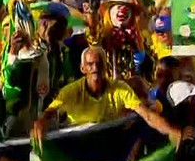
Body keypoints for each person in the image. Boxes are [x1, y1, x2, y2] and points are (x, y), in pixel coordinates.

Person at [32, 46, 180, 143]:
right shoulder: (70, 91)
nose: (95, 68)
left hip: (110, 143)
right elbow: (49, 113)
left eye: (99, 64)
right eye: (90, 64)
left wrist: (172, 132)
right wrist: (40, 124)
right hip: (80, 143)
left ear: (106, 68)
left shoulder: (120, 88)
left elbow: (147, 114)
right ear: (83, 68)